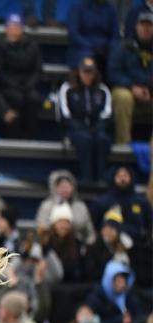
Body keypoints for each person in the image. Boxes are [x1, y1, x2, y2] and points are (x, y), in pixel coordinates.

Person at [59, 57, 114, 185]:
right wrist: (80, 127)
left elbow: (107, 114)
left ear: (95, 73)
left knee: (103, 139)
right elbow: (64, 114)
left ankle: (102, 178)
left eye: (91, 72)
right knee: (85, 139)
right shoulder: (67, 88)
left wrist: (97, 127)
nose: (88, 76)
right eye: (85, 72)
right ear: (79, 72)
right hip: (75, 129)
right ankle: (86, 178)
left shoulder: (103, 89)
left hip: (96, 128)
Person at [0, 14, 42, 139]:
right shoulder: (0, 47)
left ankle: (29, 136)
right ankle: (13, 136)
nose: (14, 31)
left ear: (22, 29)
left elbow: (37, 70)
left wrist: (29, 84)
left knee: (34, 99)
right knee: (16, 98)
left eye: (17, 28)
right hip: (7, 86)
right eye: (11, 28)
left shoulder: (32, 46)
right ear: (6, 30)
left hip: (27, 85)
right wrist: (13, 84)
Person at [108, 13, 153, 146]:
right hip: (128, 90)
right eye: (142, 25)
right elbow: (113, 73)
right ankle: (123, 144)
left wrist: (150, 90)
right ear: (136, 27)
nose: (145, 29)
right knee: (123, 97)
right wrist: (132, 87)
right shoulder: (123, 47)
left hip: (150, 94)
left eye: (149, 26)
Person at [86, 259, 142, 323]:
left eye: (123, 281)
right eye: (117, 280)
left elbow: (139, 318)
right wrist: (119, 321)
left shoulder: (129, 297)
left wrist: (131, 321)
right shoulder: (96, 297)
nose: (121, 285)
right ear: (109, 280)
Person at [65, 0, 117, 71]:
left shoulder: (110, 9)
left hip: (105, 48)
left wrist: (109, 47)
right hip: (82, 48)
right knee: (89, 59)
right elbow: (74, 34)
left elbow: (115, 35)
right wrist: (92, 46)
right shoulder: (78, 7)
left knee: (116, 58)